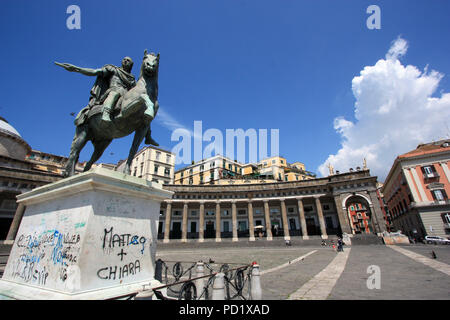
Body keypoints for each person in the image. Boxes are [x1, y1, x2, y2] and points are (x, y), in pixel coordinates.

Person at [55, 57, 136, 125]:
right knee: (115, 93)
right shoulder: (113, 69)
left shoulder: (131, 78)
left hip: (125, 94)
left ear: (131, 65)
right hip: (114, 89)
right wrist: (77, 69)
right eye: (124, 59)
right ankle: (106, 113)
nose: (125, 61)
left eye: (128, 60)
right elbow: (95, 72)